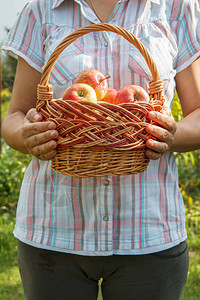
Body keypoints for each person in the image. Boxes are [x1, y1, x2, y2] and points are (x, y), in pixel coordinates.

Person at [2, 0, 200, 299]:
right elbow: (14, 115)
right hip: (54, 231)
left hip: (149, 230)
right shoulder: (41, 10)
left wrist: (171, 134)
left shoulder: (176, 7)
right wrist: (26, 135)